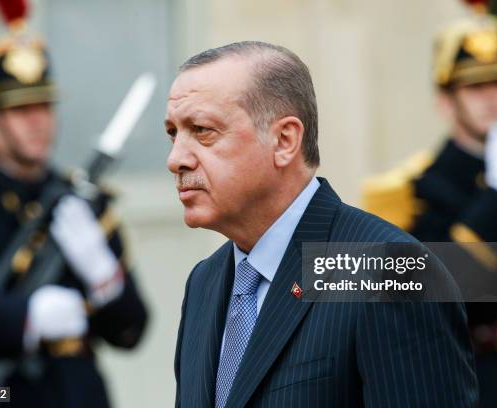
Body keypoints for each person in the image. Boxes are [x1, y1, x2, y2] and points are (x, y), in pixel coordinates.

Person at [168, 41, 478, 408]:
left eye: (202, 130)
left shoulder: (386, 271)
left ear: (284, 140)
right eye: (173, 133)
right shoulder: (205, 281)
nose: (176, 159)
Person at [0, 19, 148, 408]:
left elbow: (132, 330)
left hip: (79, 394)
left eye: (44, 106)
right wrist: (23, 318)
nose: (38, 121)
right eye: (20, 109)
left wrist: (105, 278)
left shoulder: (82, 201)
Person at [363, 8, 497, 408]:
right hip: (477, 388)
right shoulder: (410, 190)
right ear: (445, 101)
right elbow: (424, 294)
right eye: (474, 87)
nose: (491, 98)